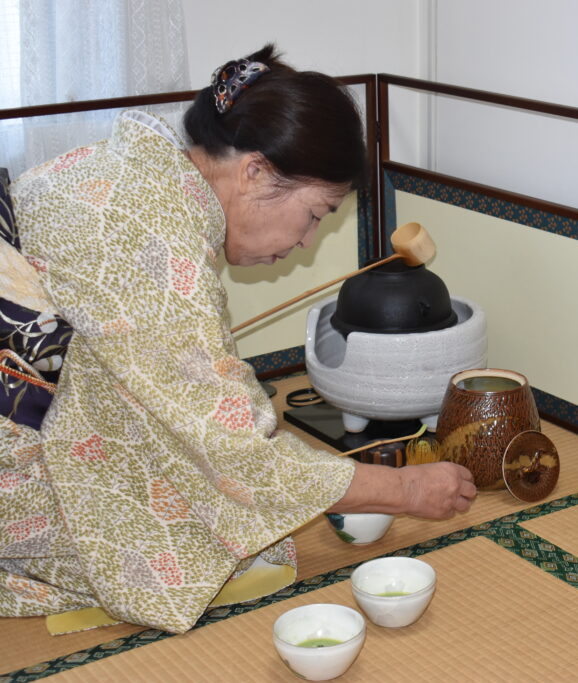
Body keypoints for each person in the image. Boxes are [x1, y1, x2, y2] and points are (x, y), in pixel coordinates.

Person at [0, 45, 476, 634]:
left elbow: (184, 394)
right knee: (214, 550)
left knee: (248, 522)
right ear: (255, 171)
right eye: (316, 214)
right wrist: (401, 489)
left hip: (33, 400)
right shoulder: (150, 238)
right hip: (14, 465)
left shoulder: (128, 176)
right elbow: (237, 455)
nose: (307, 241)